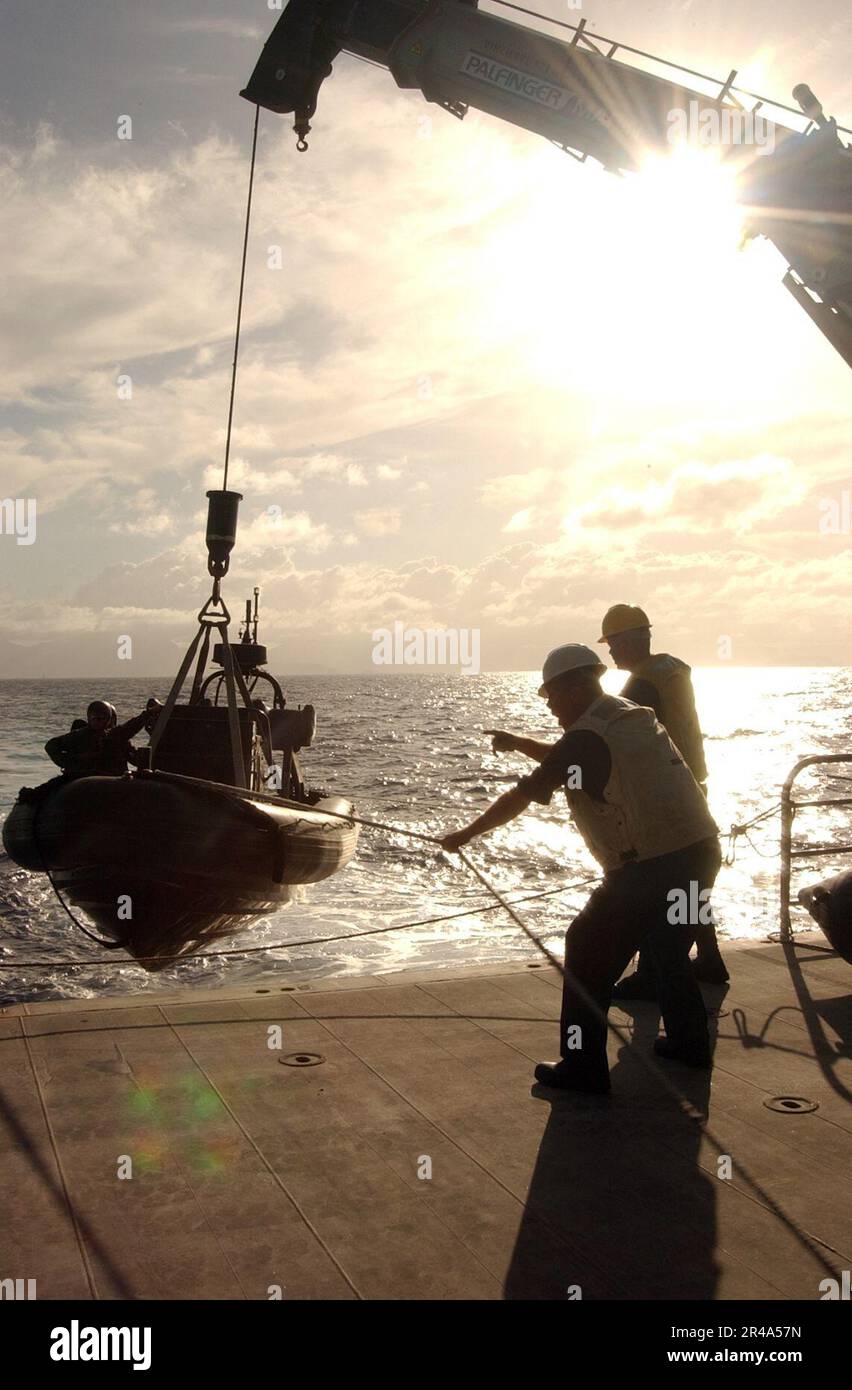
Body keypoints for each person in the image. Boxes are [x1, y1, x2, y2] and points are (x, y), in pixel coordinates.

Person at [441, 644, 721, 1093]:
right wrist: (517, 744)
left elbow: (526, 792)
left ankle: (582, 1067)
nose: (549, 704)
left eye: (551, 695)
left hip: (646, 868)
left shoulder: (584, 737)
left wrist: (464, 835)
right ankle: (691, 1045)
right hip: (700, 852)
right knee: (669, 949)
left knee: (585, 950)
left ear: (573, 687)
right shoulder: (627, 714)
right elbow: (569, 760)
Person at [597, 603, 728, 992]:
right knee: (689, 879)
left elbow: (611, 738)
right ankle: (708, 958)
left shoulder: (640, 685)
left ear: (633, 639)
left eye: (614, 643)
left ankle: (653, 973)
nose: (611, 652)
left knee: (655, 879)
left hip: (663, 795)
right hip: (692, 783)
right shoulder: (673, 670)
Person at [19, 698, 162, 803]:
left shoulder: (116, 736)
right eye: (95, 718)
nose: (98, 721)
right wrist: (74, 761)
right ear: (89, 718)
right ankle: (29, 797)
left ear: (109, 719)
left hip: (112, 777)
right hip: (83, 776)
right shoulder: (80, 735)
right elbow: (51, 746)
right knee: (52, 785)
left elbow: (131, 730)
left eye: (102, 718)